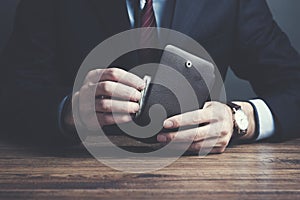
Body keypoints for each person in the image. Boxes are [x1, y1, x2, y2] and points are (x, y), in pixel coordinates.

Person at [1, 0, 299, 153]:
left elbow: (294, 84)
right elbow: (14, 89)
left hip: (198, 179)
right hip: (72, 175)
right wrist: (67, 110)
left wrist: (240, 119)